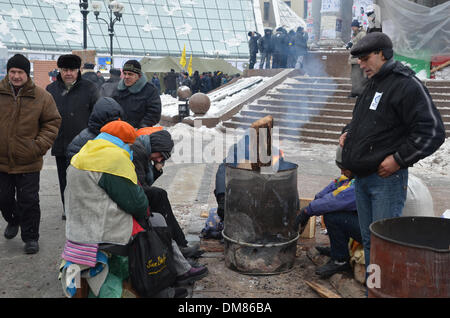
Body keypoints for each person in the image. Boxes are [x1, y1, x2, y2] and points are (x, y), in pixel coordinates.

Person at [340, 32, 446, 269]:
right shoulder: (373, 83)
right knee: (369, 242)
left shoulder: (406, 85)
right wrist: (348, 132)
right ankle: (374, 291)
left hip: (385, 181)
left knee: (383, 246)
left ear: (382, 54)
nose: (361, 64)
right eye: (359, 59)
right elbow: (365, 121)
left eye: (365, 58)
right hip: (363, 179)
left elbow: (433, 131)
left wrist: (399, 159)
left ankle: (383, 291)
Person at [0, 54, 61, 254]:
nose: (16, 76)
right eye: (13, 72)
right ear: (8, 73)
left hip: (29, 161)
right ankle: (13, 220)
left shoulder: (42, 97)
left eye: (20, 72)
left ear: (27, 74)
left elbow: (52, 123)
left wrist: (38, 146)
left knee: (29, 200)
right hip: (2, 161)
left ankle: (31, 237)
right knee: (4, 198)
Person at [46, 54, 99, 220]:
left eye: (72, 70)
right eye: (65, 70)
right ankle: (67, 207)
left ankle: (85, 207)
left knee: (84, 178)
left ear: (79, 70)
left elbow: (96, 114)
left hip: (84, 144)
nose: (68, 73)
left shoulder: (89, 88)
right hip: (61, 142)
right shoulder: (51, 90)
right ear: (59, 70)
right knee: (64, 179)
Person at [112, 60, 161, 128]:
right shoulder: (117, 89)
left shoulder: (150, 90)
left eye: (130, 74)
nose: (126, 77)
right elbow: (112, 109)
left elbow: (154, 113)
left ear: (139, 76)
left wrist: (143, 125)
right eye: (125, 73)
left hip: (140, 132)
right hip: (119, 129)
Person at [346, 20, 368, 98]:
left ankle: (360, 92)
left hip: (358, 59)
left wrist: (361, 58)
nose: (352, 28)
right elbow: (354, 43)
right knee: (354, 76)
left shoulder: (362, 34)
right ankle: (355, 92)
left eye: (353, 26)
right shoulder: (356, 34)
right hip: (354, 59)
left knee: (358, 76)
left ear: (356, 26)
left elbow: (363, 46)